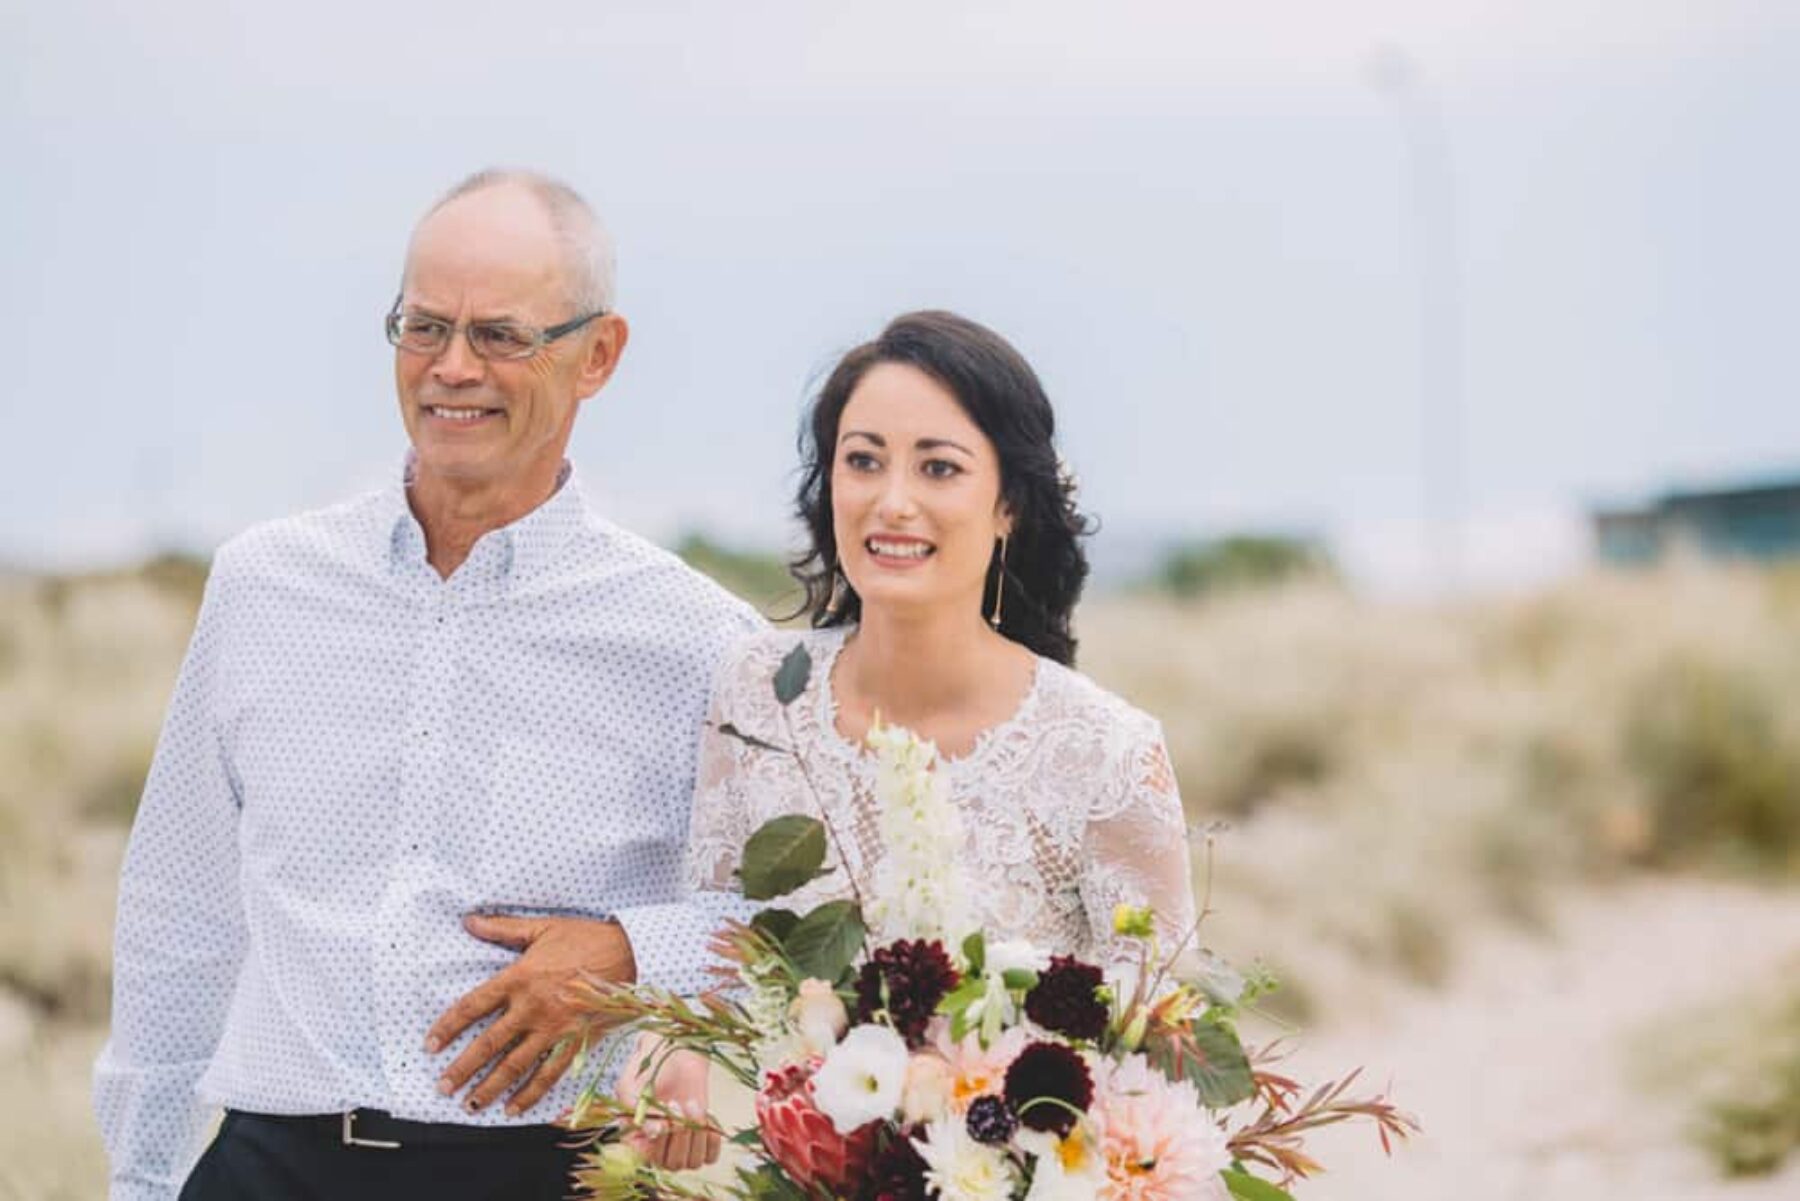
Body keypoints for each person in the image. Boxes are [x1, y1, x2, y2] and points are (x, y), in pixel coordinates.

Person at [92, 169, 757, 1200]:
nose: (452, 369)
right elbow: (182, 906)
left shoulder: (701, 641)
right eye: (423, 326)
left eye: (500, 335)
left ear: (599, 355)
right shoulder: (264, 585)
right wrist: (141, 1176)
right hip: (267, 1162)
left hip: (550, 1173)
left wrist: (635, 947)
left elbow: (796, 915)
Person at [648, 309, 1199, 1124]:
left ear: (1009, 502)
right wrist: (675, 1056)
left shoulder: (1106, 753)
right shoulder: (760, 692)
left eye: (939, 468)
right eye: (863, 461)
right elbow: (714, 940)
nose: (892, 501)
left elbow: (1164, 1064)